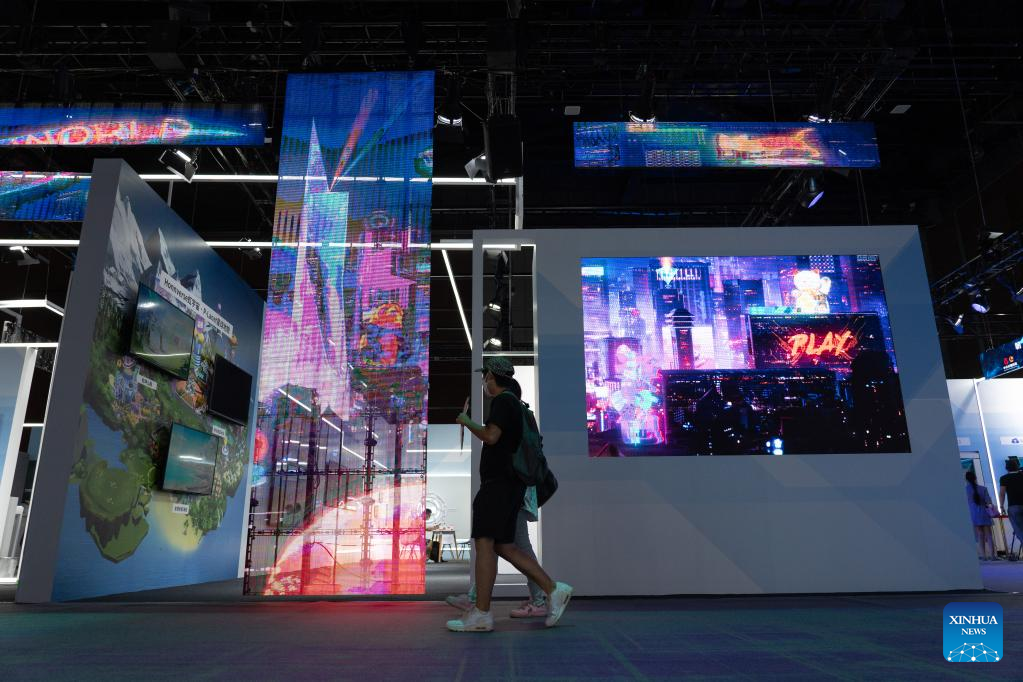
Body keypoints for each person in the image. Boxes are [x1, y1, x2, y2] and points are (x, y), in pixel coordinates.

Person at [446, 356, 572, 632]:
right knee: (503, 545)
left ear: (492, 377)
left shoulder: (503, 401)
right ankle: (553, 589)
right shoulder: (515, 404)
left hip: (498, 484)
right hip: (509, 484)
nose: (484, 383)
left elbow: (491, 436)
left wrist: (466, 421)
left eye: (486, 377)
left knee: (484, 541)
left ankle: (481, 613)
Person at [964, 471, 996, 561]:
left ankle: (983, 555)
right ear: (975, 478)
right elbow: (989, 502)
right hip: (984, 513)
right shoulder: (983, 489)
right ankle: (992, 555)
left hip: (973, 513)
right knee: (989, 535)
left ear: (966, 479)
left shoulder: (965, 490)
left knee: (979, 534)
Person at [1000, 459, 1023, 553]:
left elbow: (1002, 493)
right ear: (1017, 466)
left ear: (1006, 468)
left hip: (1014, 507)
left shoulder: (1004, 478)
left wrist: (1001, 506)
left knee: (1019, 531)